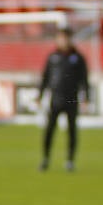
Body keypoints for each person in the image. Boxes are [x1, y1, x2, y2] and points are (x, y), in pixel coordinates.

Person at [37, 27, 89, 172]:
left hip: (72, 99)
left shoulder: (78, 58)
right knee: (49, 130)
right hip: (56, 98)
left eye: (65, 38)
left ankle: (70, 161)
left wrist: (86, 98)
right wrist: (39, 95)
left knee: (72, 131)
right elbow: (45, 77)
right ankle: (45, 159)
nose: (62, 41)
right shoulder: (52, 57)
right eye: (60, 38)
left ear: (70, 39)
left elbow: (84, 79)